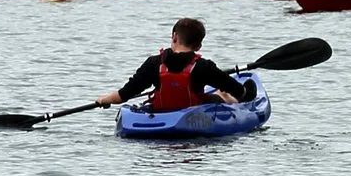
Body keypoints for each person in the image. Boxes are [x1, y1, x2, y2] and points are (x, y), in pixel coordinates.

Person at [96, 17, 251, 112]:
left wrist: (104, 99)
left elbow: (123, 95)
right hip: (193, 114)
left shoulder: (153, 63)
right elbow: (237, 90)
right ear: (198, 46)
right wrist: (245, 93)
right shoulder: (204, 67)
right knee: (223, 94)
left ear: (175, 37)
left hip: (162, 112)